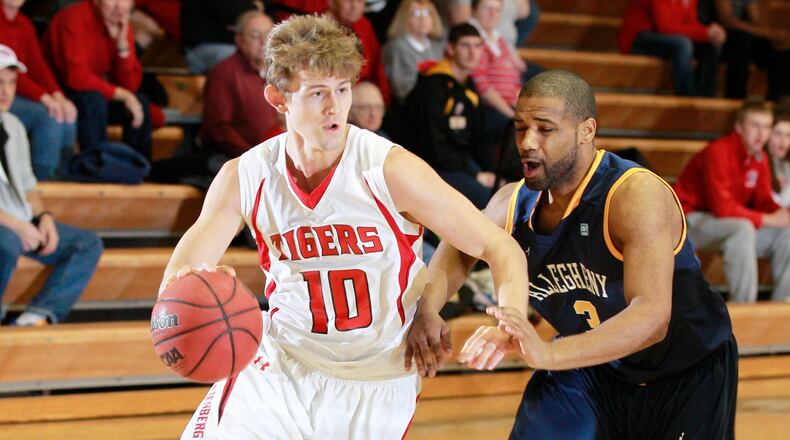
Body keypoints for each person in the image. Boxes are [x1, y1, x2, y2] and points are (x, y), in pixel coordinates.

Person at [161, 15, 528, 439]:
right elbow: (180, 276)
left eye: (342, 89)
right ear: (278, 98)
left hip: (379, 381)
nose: (335, 107)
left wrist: (511, 320)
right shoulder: (245, 176)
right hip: (282, 364)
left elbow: (500, 248)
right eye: (317, 93)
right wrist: (201, 286)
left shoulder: (389, 169)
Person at [407, 70, 737, 438]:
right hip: (590, 369)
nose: (527, 142)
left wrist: (545, 354)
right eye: (520, 127)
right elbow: (459, 245)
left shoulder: (633, 195)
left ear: (586, 130)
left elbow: (653, 316)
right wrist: (427, 308)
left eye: (545, 129)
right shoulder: (511, 201)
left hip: (685, 373)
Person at [0, 48, 103, 326]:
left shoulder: (13, 125)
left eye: (11, 83)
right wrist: (18, 226)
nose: (6, 92)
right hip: (7, 228)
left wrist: (42, 218)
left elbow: (28, 184)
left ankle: (37, 316)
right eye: (0, 83)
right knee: (6, 242)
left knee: (86, 243)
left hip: (18, 221)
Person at [674, 100, 790, 302]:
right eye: (755, 126)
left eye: (766, 127)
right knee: (742, 228)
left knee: (786, 234)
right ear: (739, 127)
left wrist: (784, 215)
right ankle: (744, 307)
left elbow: (764, 201)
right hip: (688, 221)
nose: (761, 133)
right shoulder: (718, 152)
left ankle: (781, 307)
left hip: (725, 223)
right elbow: (723, 209)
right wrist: (769, 219)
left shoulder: (759, 157)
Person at [44, 0, 153, 160]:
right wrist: (124, 95)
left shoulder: (122, 25)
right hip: (60, 92)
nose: (119, 6)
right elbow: (76, 78)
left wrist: (122, 48)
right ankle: (97, 168)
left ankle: (138, 169)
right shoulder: (75, 17)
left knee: (140, 102)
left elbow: (130, 86)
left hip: (94, 92)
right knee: (94, 100)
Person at [404, 23, 494, 210]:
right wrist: (475, 175)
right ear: (450, 49)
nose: (472, 53)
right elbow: (433, 146)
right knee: (487, 198)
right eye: (465, 46)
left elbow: (479, 138)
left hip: (461, 162)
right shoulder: (433, 87)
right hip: (430, 167)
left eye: (477, 46)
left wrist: (493, 172)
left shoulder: (469, 87)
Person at [0, 0, 77, 180]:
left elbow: (37, 66)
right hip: (10, 94)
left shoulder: (24, 23)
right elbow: (8, 74)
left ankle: (66, 179)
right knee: (49, 116)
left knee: (68, 112)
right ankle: (45, 182)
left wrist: (59, 97)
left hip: (17, 92)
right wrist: (45, 98)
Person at [200, 10, 278, 159]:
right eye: (255, 36)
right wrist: (253, 157)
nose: (263, 41)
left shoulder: (279, 72)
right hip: (237, 160)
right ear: (240, 40)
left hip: (275, 158)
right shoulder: (224, 72)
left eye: (268, 34)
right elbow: (219, 130)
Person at [618, 0, 726, 97]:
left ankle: (706, 101)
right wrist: (705, 33)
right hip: (637, 38)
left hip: (665, 37)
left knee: (710, 46)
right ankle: (688, 98)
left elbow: (690, 23)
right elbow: (665, 26)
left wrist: (711, 33)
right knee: (683, 44)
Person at [712, 0, 790, 100]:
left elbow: (756, 20)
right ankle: (735, 98)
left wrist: (774, 36)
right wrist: (766, 33)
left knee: (781, 46)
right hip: (720, 39)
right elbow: (727, 21)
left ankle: (778, 101)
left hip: (745, 38)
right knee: (740, 41)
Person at [326, 0, 391, 104]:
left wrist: (382, 100)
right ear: (332, 2)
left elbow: (377, 66)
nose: (354, 6)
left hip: (363, 94)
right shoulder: (321, 27)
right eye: (348, 1)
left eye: (360, 1)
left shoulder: (364, 25)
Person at [382, 0, 444, 103]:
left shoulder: (437, 47)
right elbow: (402, 90)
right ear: (404, 18)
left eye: (427, 13)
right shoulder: (396, 47)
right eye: (415, 13)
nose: (422, 19)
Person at [180, 0, 259, 74]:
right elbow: (235, 13)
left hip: (224, 45)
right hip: (201, 47)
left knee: (262, 54)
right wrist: (255, 7)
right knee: (243, 60)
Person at [769, 109, 790, 207]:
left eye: (788, 135)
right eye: (777, 134)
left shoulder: (786, 165)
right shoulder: (759, 163)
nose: (783, 141)